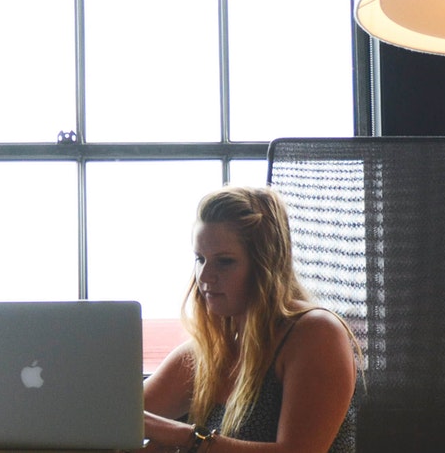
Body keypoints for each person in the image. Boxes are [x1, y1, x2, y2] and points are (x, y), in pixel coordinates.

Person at [139, 186, 360, 453]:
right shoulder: (209, 352)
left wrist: (182, 436)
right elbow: (110, 416)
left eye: (225, 262)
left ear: (264, 265)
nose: (205, 277)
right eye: (200, 259)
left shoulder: (316, 334)